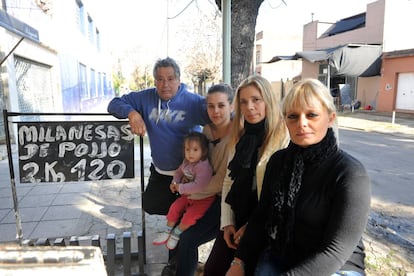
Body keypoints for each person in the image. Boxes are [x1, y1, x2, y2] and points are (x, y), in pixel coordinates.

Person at [227, 78, 371, 276]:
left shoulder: (350, 172)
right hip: (284, 254)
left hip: (337, 266)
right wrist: (239, 261)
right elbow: (261, 216)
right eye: (293, 116)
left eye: (312, 115)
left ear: (330, 118)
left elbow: (336, 251)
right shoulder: (278, 162)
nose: (302, 123)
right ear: (285, 120)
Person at [204, 75, 289, 276]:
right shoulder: (240, 136)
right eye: (244, 102)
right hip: (238, 214)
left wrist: (252, 227)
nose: (249, 107)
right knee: (213, 269)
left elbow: (282, 194)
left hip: (267, 221)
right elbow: (229, 181)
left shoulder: (283, 136)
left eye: (256, 100)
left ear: (267, 100)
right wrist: (227, 223)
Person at [107, 57, 210, 216]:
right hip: (161, 171)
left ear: (178, 80)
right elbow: (114, 104)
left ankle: (181, 233)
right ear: (155, 81)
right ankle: (176, 224)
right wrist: (132, 113)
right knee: (150, 205)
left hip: (189, 173)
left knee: (187, 215)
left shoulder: (194, 102)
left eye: (170, 79)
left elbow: (219, 117)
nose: (165, 84)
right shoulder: (146, 98)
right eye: (160, 79)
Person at [164, 83, 234, 276]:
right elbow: (196, 163)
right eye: (211, 106)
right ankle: (174, 268)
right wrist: (181, 181)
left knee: (188, 239)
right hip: (201, 193)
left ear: (232, 106)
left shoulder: (237, 135)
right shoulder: (207, 131)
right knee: (174, 223)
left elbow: (222, 180)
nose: (215, 111)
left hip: (223, 200)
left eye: (221, 105)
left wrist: (188, 190)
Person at [153, 132, 214, 250]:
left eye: (195, 150)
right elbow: (179, 172)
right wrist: (175, 182)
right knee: (175, 207)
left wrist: (180, 188)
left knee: (190, 217)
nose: (190, 153)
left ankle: (176, 233)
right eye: (188, 149)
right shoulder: (187, 162)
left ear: (204, 151)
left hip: (203, 198)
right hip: (188, 195)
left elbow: (200, 186)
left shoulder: (203, 166)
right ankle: (167, 231)